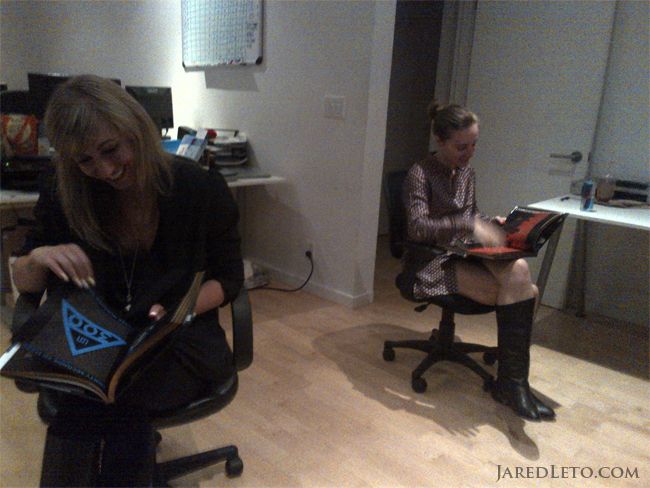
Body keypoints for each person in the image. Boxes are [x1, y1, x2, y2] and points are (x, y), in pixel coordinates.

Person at [11, 74, 244, 412]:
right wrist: (38, 257)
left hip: (174, 337)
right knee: (88, 400)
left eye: (110, 150)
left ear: (134, 128)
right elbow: (24, 281)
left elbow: (229, 277)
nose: (105, 170)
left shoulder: (198, 187)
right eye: (85, 161)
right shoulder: (65, 193)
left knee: (107, 404)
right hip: (91, 339)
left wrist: (180, 310)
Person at [402, 101, 554, 421]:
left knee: (520, 271)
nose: (469, 153)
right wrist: (468, 224)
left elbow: (471, 215)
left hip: (464, 251)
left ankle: (513, 383)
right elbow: (418, 228)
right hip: (431, 260)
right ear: (440, 141)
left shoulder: (467, 172)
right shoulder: (420, 173)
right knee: (525, 294)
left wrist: (492, 223)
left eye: (474, 145)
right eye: (461, 147)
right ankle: (512, 384)